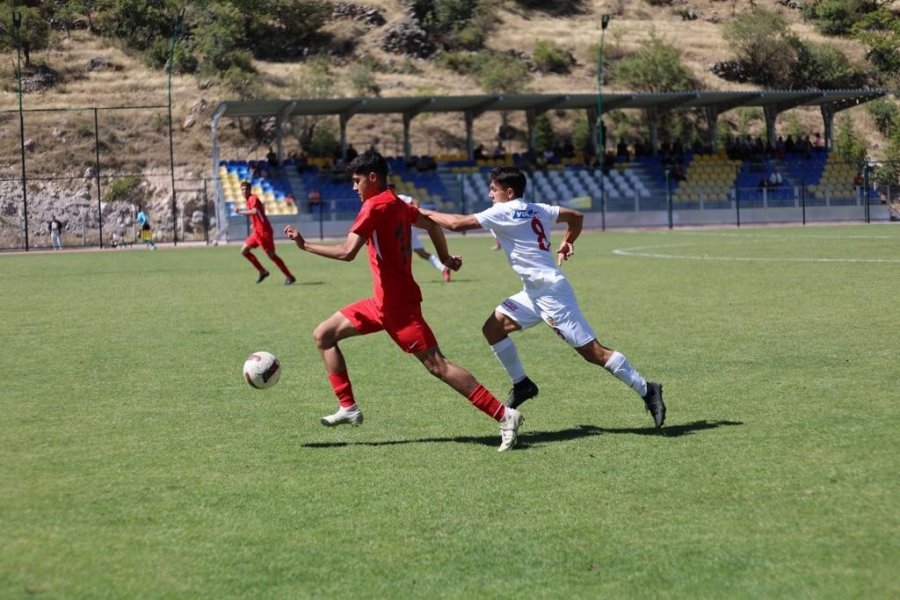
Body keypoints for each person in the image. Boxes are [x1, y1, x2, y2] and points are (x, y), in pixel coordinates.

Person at [283, 150, 523, 452]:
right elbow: (433, 225)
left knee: (439, 366)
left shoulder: (372, 207)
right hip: (380, 303)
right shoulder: (398, 203)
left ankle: (504, 414)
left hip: (398, 309)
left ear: (373, 178)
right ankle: (349, 408)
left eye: (357, 181)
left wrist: (304, 246)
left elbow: (347, 252)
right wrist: (445, 258)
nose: (354, 187)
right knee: (324, 335)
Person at [420, 165, 666, 428]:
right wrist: (568, 240)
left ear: (509, 192)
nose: (490, 194)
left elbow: (457, 224)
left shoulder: (504, 210)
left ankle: (647, 389)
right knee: (493, 328)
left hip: (551, 294)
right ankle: (522, 384)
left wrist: (419, 211)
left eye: (494, 189)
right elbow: (577, 217)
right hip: (534, 292)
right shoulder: (539, 208)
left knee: (593, 352)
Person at [235, 181, 296, 285]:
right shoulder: (248, 200)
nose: (244, 191)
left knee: (272, 256)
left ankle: (289, 276)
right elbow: (258, 214)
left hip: (264, 232)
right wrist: (254, 224)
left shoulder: (252, 198)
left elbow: (254, 211)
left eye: (246, 189)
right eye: (243, 189)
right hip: (257, 232)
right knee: (244, 251)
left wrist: (241, 212)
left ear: (250, 189)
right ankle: (262, 271)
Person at [392, 188, 451, 282]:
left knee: (400, 254)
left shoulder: (400, 198)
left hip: (409, 228)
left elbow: (415, 201)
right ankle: (443, 268)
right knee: (422, 253)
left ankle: (401, 278)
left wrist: (414, 213)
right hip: (409, 229)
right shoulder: (389, 202)